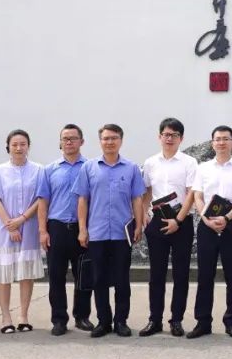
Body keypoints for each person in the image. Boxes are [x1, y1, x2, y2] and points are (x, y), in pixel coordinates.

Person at [74, 123, 145, 338]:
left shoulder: (131, 168)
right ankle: (103, 322)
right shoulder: (89, 168)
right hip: (97, 233)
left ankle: (121, 321)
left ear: (121, 140)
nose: (110, 142)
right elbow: (83, 200)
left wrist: (139, 225)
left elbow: (137, 199)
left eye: (114, 138)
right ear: (100, 141)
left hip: (122, 234)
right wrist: (82, 229)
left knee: (122, 280)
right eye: (106, 138)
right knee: (99, 280)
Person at [187, 125, 232, 339]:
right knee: (204, 275)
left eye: (226, 139)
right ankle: (202, 322)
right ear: (212, 143)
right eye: (218, 139)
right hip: (206, 225)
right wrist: (206, 218)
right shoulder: (203, 168)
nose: (221, 142)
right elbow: (197, 196)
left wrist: (227, 218)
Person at [138, 118, 197, 338]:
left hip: (182, 222)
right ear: (159, 137)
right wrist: (144, 214)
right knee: (156, 274)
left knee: (181, 274)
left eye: (174, 135)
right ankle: (154, 319)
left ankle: (176, 320)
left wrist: (178, 221)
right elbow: (146, 192)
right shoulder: (151, 162)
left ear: (181, 138)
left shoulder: (189, 162)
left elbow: (191, 194)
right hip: (157, 221)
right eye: (166, 134)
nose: (169, 138)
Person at [37, 124, 94, 336]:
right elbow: (43, 202)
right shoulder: (50, 170)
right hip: (57, 228)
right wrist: (43, 231)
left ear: (82, 141)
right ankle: (59, 319)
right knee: (56, 276)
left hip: (83, 229)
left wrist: (86, 229)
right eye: (65, 138)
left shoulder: (90, 167)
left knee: (84, 275)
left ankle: (82, 316)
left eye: (73, 138)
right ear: (60, 142)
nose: (69, 142)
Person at [0, 129, 44, 334]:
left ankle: (23, 316)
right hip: (4, 229)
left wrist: (22, 219)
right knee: (4, 275)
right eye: (14, 144)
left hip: (29, 227)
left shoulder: (39, 170)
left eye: (23, 144)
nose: (19, 148)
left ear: (28, 146)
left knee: (26, 274)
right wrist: (10, 224)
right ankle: (6, 318)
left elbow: (40, 199)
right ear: (8, 147)